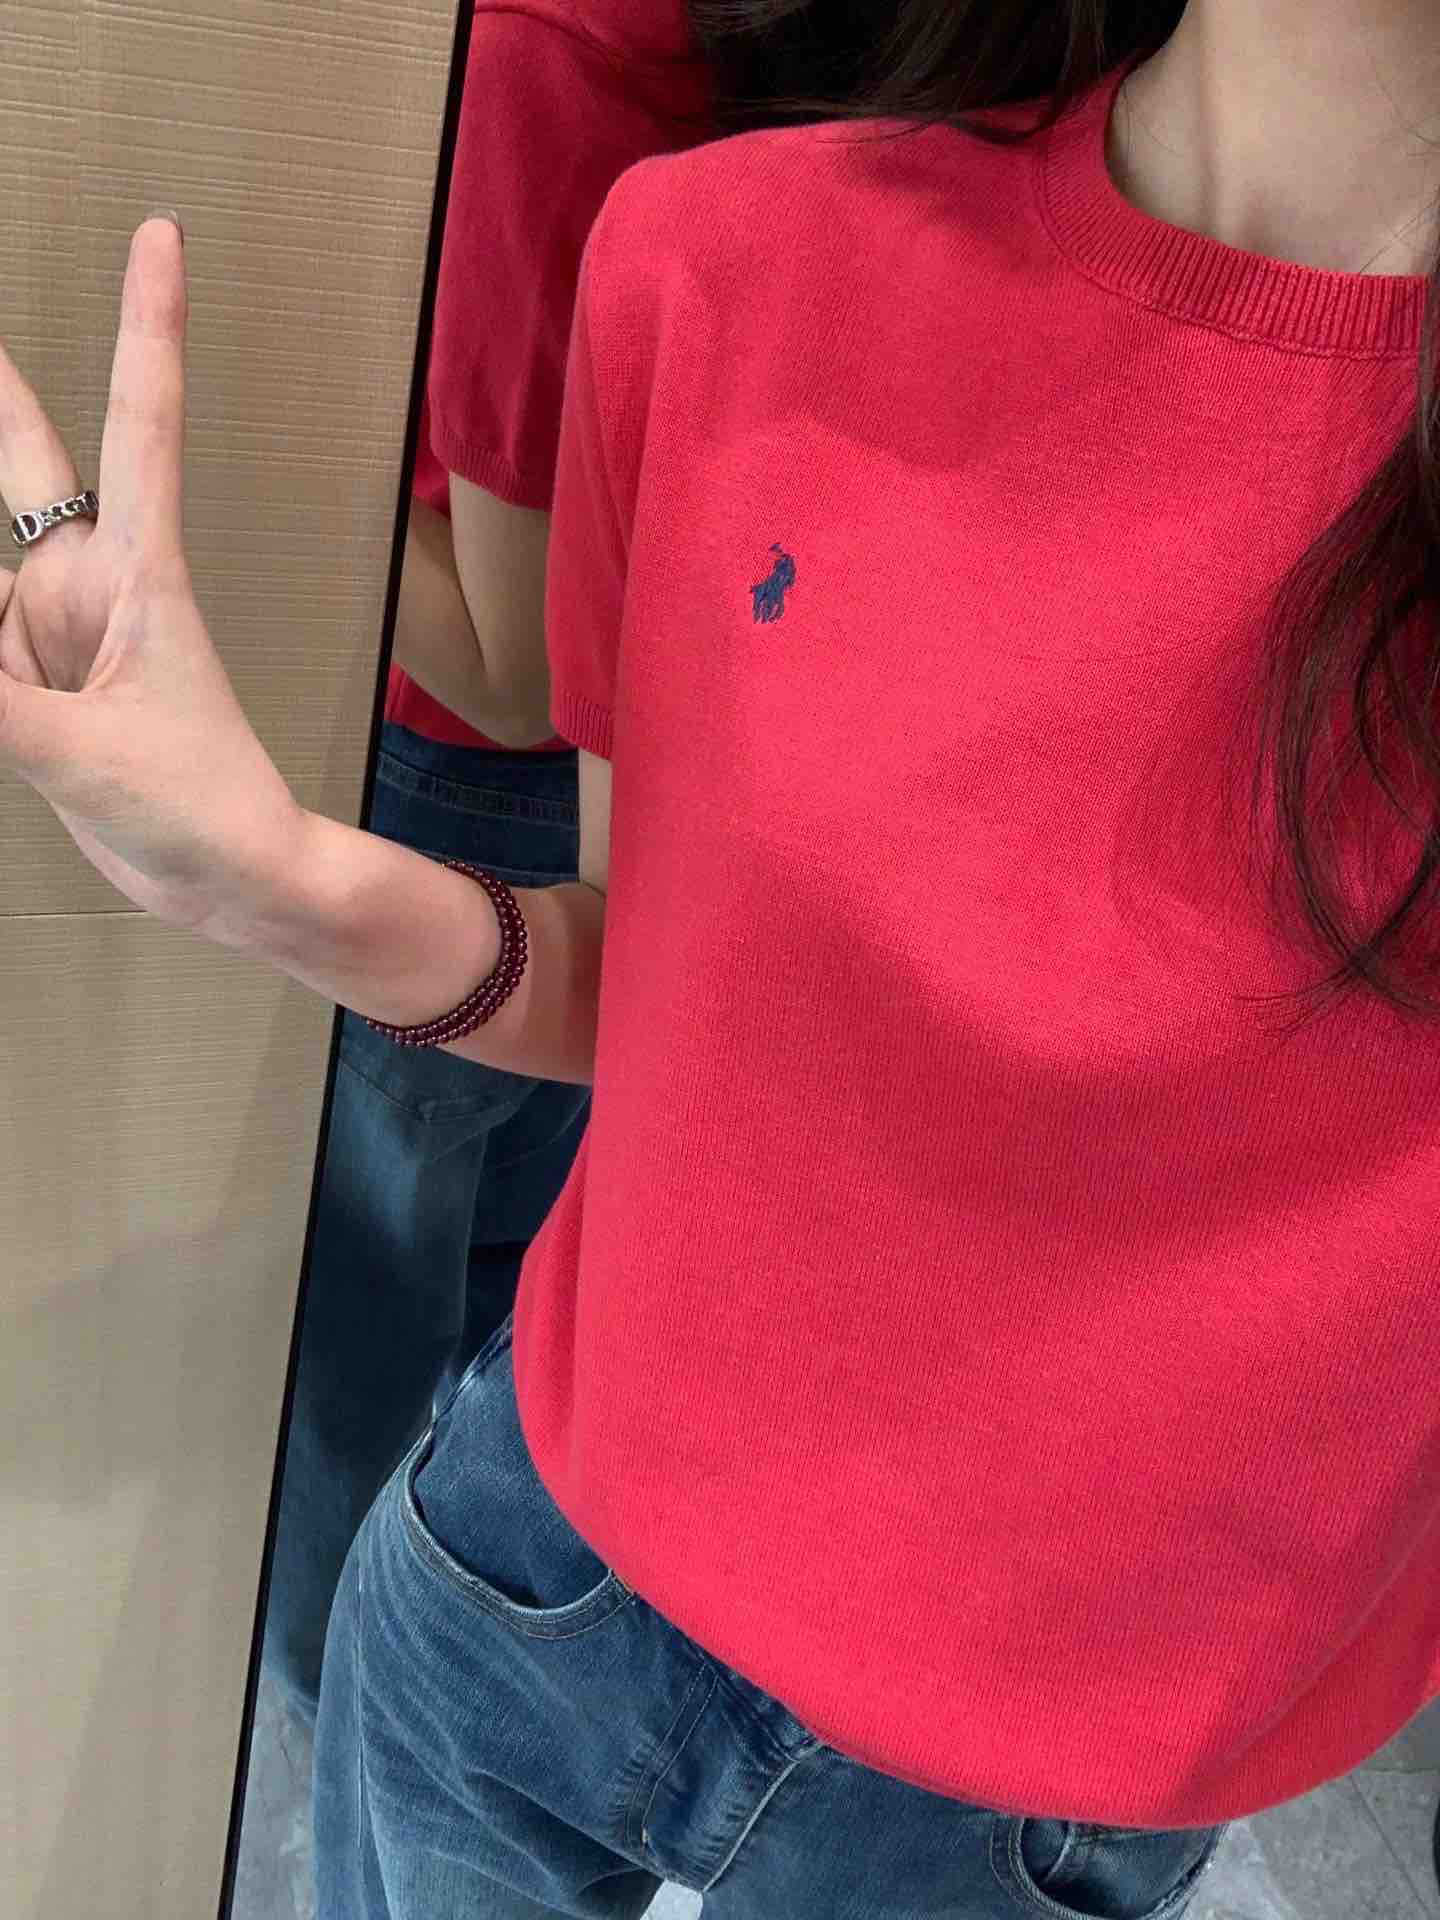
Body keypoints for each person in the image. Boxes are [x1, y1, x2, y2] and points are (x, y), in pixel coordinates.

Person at [5, 2, 1440, 1916]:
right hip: (528, 1559)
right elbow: (644, 985)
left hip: (1017, 1800)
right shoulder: (729, 257)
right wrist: (265, 881)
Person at [259, 0, 715, 1730]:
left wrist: (278, 429)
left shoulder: (550, 54)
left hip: (477, 777)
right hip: (633, 757)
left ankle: (351, 1697)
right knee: (470, 1271)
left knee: (368, 1304)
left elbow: (510, 672)